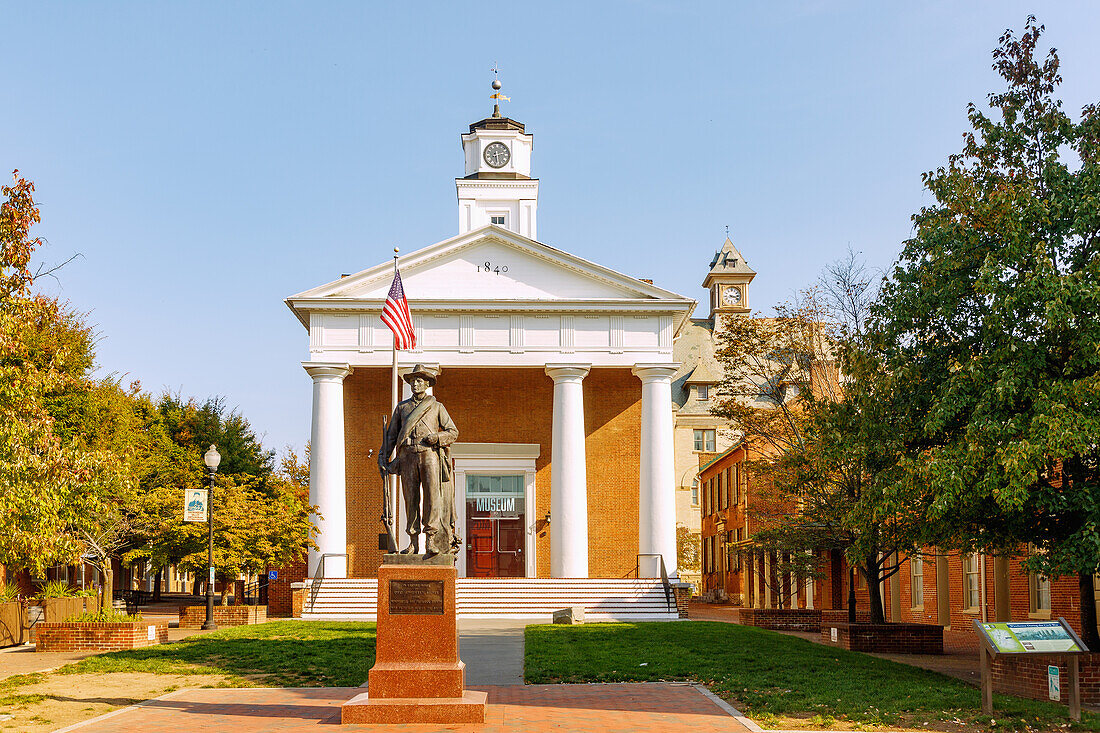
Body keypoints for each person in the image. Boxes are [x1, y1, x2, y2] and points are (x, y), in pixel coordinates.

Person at [379, 364, 460, 557]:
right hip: (407, 456)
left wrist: (437, 438)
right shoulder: (402, 407)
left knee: (432, 499)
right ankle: (413, 542)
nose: (415, 384)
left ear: (427, 384)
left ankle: (431, 540)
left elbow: (453, 432)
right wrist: (383, 456)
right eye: (413, 381)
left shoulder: (436, 407)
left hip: (429, 454)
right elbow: (391, 436)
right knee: (410, 499)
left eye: (419, 381)